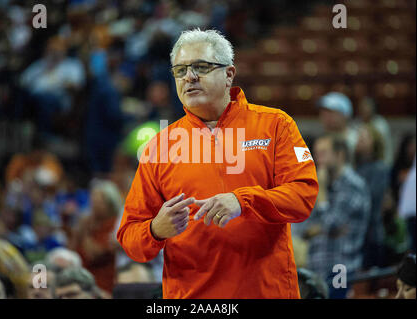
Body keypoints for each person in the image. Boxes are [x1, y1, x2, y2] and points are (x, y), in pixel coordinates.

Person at [117, 29, 319, 298]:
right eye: (180, 70)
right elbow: (130, 237)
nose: (189, 77)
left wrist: (243, 201)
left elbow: (303, 196)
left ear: (229, 74)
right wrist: (155, 230)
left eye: (201, 67)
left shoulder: (275, 125)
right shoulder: (160, 146)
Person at [292, 135, 370, 299]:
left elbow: (331, 224)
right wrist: (317, 229)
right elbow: (301, 226)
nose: (317, 159)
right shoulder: (322, 183)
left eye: (323, 153)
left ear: (340, 155)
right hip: (316, 268)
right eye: (316, 153)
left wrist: (323, 197)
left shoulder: (353, 185)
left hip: (340, 269)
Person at [69, 180, 121, 294]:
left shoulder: (115, 224)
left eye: (99, 201)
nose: (94, 206)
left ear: (110, 203)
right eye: (93, 201)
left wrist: (85, 230)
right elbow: (71, 252)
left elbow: (93, 254)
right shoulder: (89, 223)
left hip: (104, 284)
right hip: (82, 279)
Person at [355, 124, 390, 268]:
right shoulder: (357, 167)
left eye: (364, 137)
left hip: (372, 234)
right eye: (359, 137)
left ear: (375, 142)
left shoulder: (380, 168)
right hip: (358, 235)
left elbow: (371, 198)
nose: (360, 140)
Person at [316, 92, 358, 164]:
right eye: (323, 112)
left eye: (331, 113)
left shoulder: (356, 140)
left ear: (345, 115)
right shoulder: (318, 140)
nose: (326, 116)